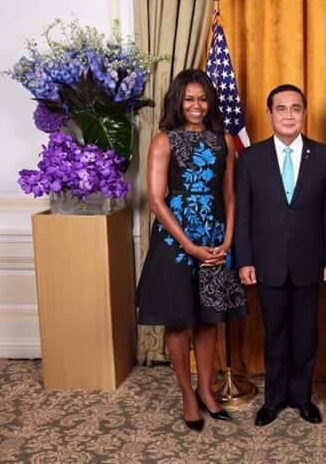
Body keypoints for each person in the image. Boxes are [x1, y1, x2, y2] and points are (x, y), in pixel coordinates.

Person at [136, 69, 247, 432]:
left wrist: (228, 239)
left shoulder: (224, 140)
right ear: (178, 102)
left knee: (209, 318)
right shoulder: (163, 141)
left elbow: (230, 196)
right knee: (180, 319)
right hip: (176, 242)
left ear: (210, 102)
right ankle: (187, 393)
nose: (196, 105)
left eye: (202, 99)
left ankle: (206, 389)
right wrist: (189, 246)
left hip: (214, 238)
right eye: (189, 99)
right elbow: (156, 200)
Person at [235, 84, 326, 427]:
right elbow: (244, 214)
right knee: (275, 333)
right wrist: (245, 260)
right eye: (281, 108)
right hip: (268, 263)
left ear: (304, 113)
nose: (289, 115)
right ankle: (274, 399)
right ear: (269, 114)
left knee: (306, 335)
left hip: (310, 262)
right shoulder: (251, 158)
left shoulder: (324, 156)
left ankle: (302, 398)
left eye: (296, 108)